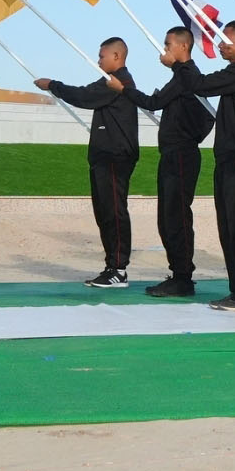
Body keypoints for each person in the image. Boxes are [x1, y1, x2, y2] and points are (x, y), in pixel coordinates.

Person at [173, 20, 235, 312]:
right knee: (229, 227)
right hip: (229, 160)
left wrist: (184, 61)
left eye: (225, 39)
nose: (219, 45)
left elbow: (198, 85)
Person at [36, 38, 140, 288]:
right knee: (104, 211)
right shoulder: (110, 82)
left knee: (113, 210)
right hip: (104, 155)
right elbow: (86, 94)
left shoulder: (118, 82)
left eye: (102, 56)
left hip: (115, 155)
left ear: (117, 56)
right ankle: (112, 266)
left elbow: (83, 96)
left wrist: (53, 85)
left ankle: (119, 268)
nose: (98, 61)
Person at [124, 26, 218, 298]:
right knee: (169, 216)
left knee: (175, 215)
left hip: (181, 154)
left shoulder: (186, 77)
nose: (164, 51)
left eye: (168, 45)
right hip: (175, 153)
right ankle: (178, 273)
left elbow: (154, 102)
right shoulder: (184, 77)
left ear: (182, 47)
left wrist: (126, 89)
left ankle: (182, 277)